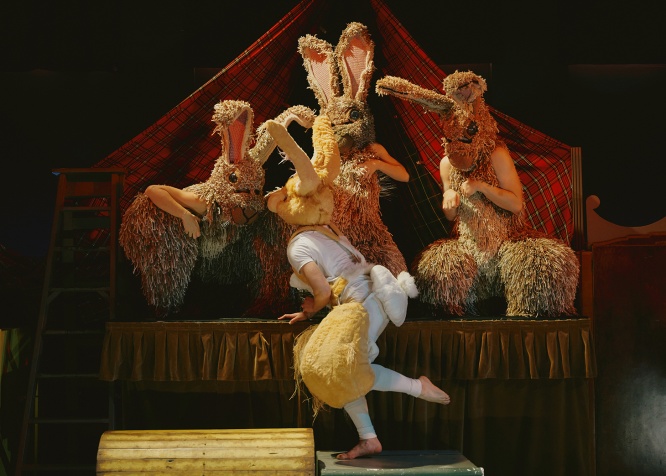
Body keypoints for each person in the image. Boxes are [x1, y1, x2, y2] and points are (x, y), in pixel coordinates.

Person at [272, 220, 451, 459]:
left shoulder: (297, 246)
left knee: (347, 370)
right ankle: (368, 438)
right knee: (343, 371)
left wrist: (311, 309)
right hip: (368, 300)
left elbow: (323, 292)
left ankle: (418, 387)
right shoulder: (326, 228)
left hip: (364, 304)